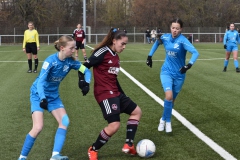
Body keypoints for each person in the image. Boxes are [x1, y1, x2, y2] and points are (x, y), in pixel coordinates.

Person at [17, 35, 91, 160]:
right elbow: (40, 82)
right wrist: (42, 98)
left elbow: (86, 70)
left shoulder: (71, 61)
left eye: (74, 48)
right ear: (62, 48)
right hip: (38, 94)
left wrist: (86, 83)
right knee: (38, 127)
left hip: (53, 96)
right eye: (71, 48)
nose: (73, 51)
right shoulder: (50, 61)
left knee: (65, 121)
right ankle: (22, 157)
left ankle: (55, 155)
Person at [83, 28, 142, 160]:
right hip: (104, 93)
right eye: (123, 44)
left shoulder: (116, 57)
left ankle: (128, 144)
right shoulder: (102, 52)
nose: (124, 47)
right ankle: (93, 149)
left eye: (126, 44)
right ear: (114, 41)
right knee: (114, 125)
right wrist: (84, 82)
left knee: (137, 112)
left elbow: (114, 79)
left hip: (115, 92)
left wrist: (122, 94)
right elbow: (84, 66)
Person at [146, 18, 199, 133]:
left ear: (181, 29)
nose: (174, 30)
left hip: (179, 75)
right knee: (168, 96)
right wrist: (149, 56)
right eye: (173, 28)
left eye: (177, 28)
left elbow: (195, 52)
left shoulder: (183, 41)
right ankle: (168, 122)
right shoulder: (165, 37)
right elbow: (157, 43)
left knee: (171, 101)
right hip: (166, 72)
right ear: (170, 28)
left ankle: (163, 119)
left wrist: (188, 65)